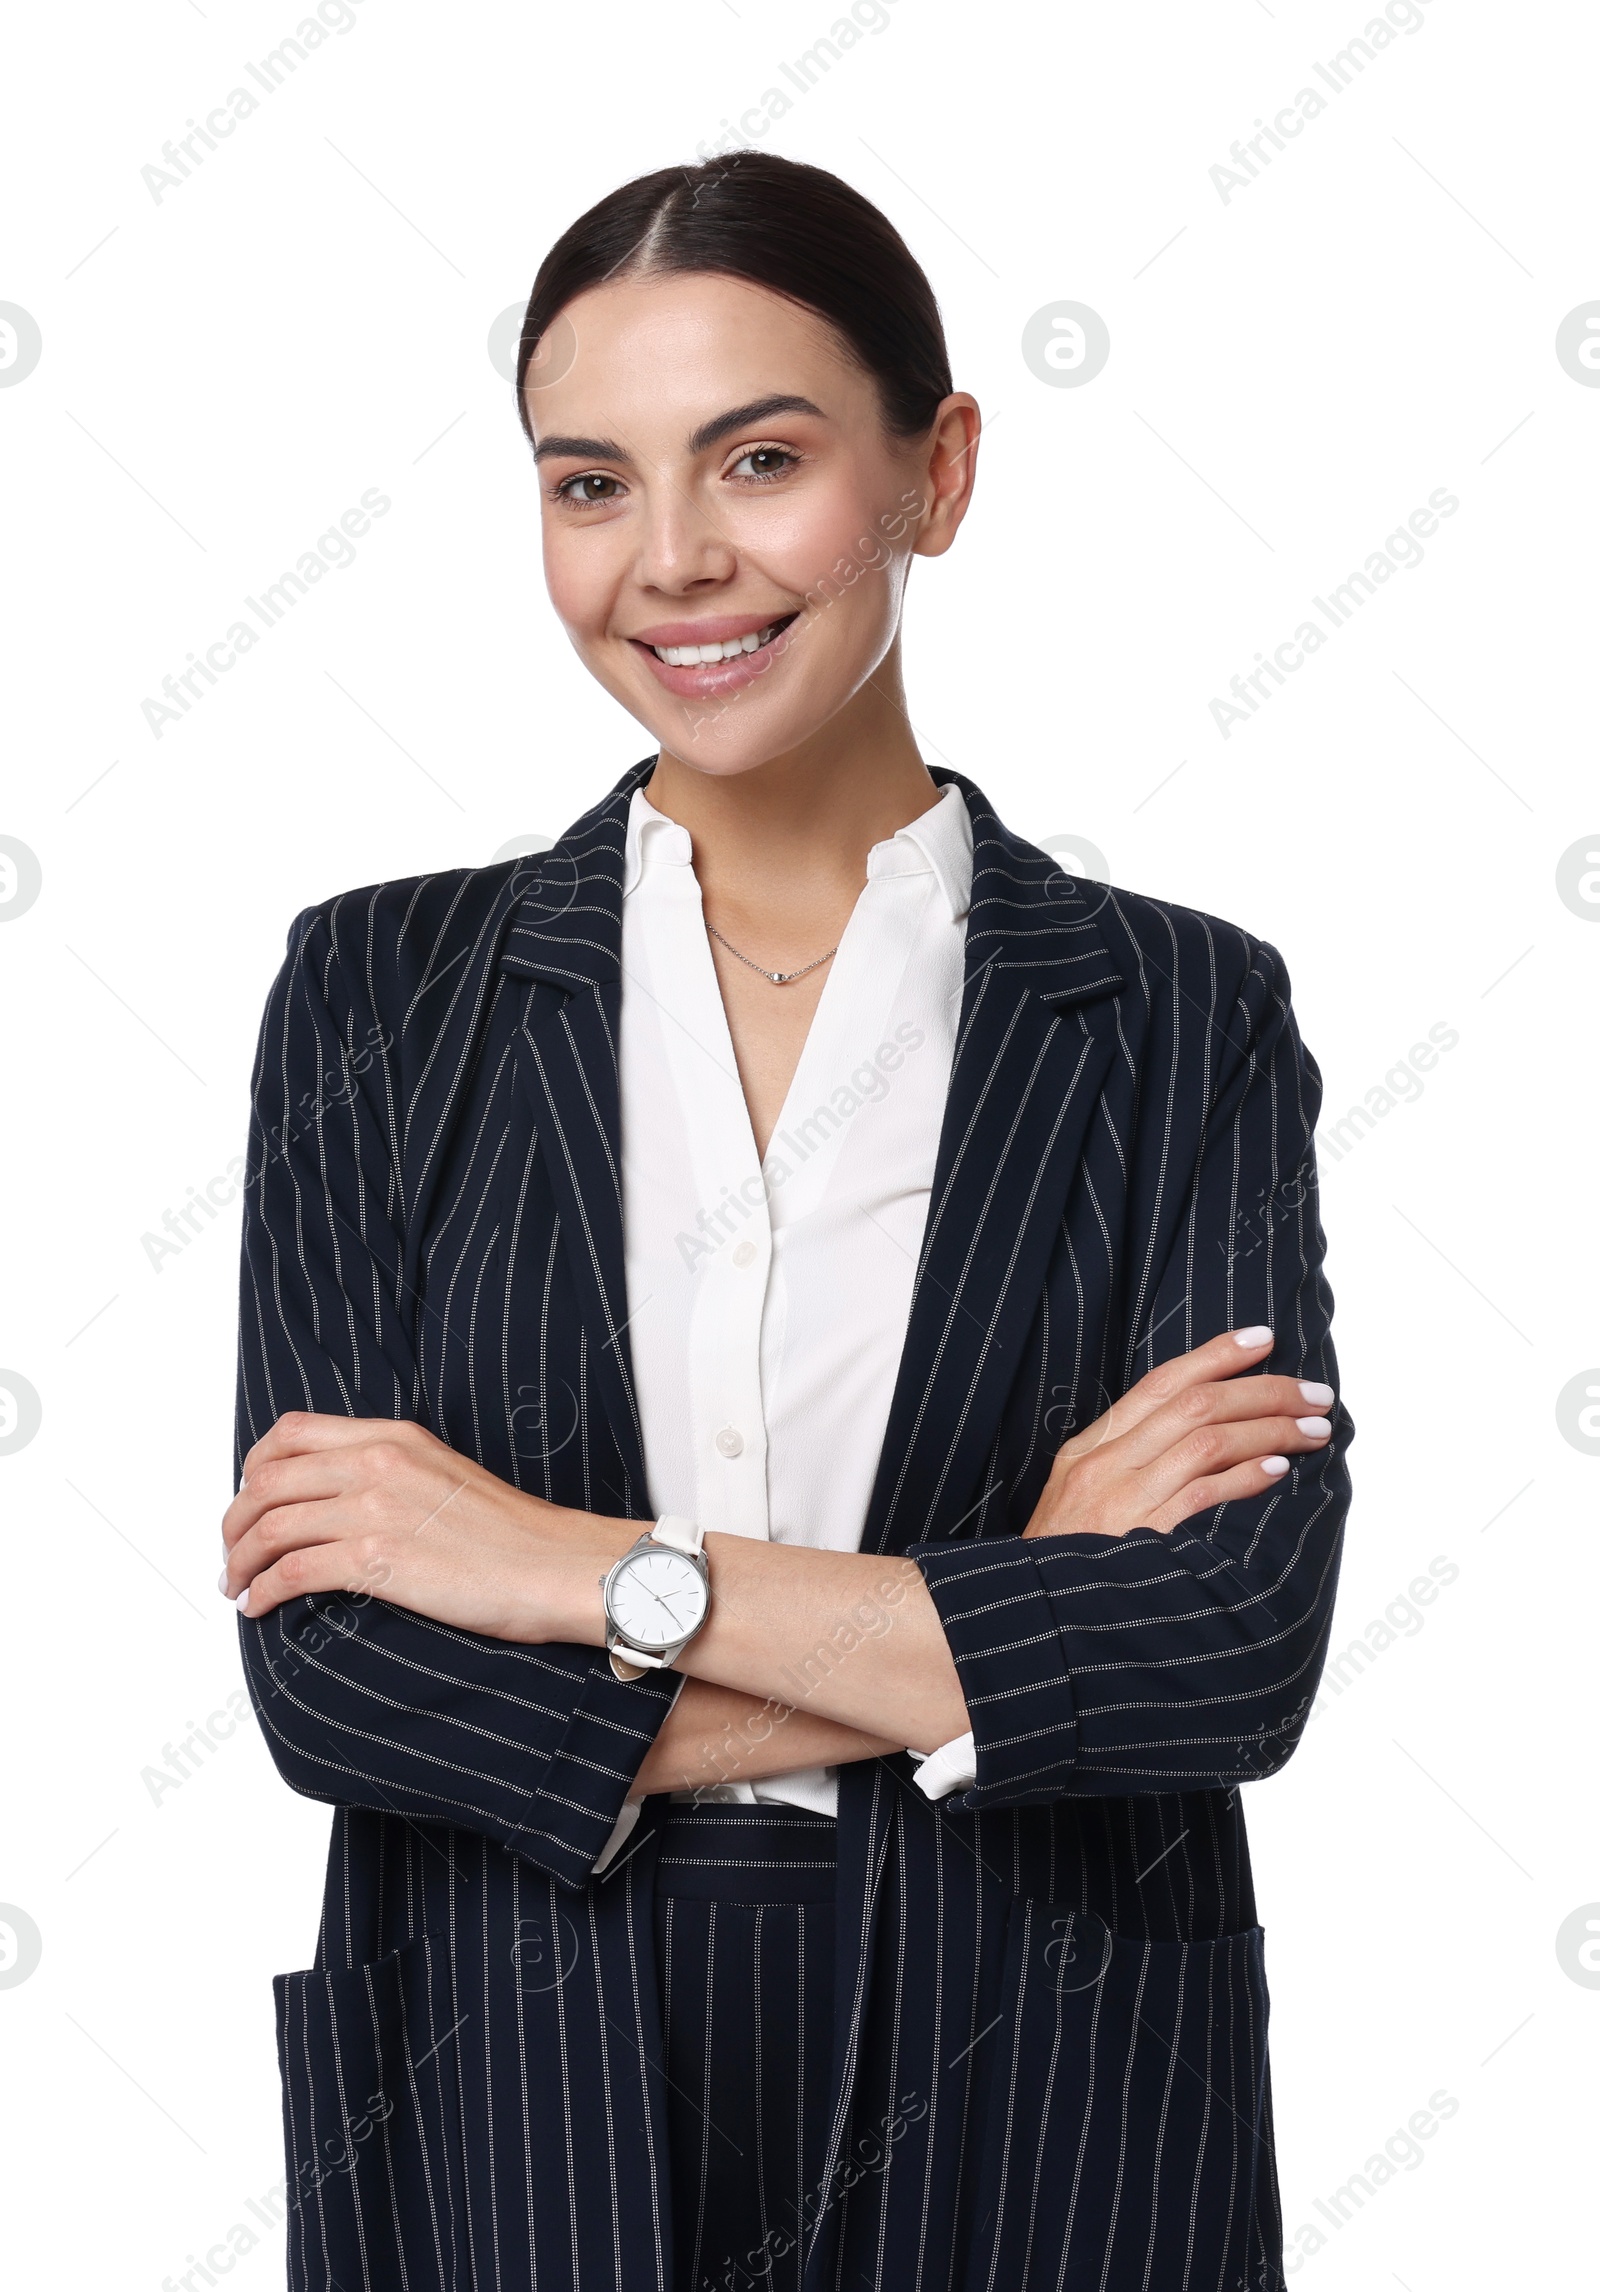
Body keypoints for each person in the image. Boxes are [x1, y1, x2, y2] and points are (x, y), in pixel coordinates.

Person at [223, 150, 1352, 2292]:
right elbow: (343, 1682)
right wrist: (1011, 1609)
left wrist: (573, 1577)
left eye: (756, 459)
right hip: (505, 2075)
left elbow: (1221, 1648)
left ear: (936, 470)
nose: (669, 562)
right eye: (586, 483)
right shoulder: (379, 993)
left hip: (1047, 2069)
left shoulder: (1178, 1007)